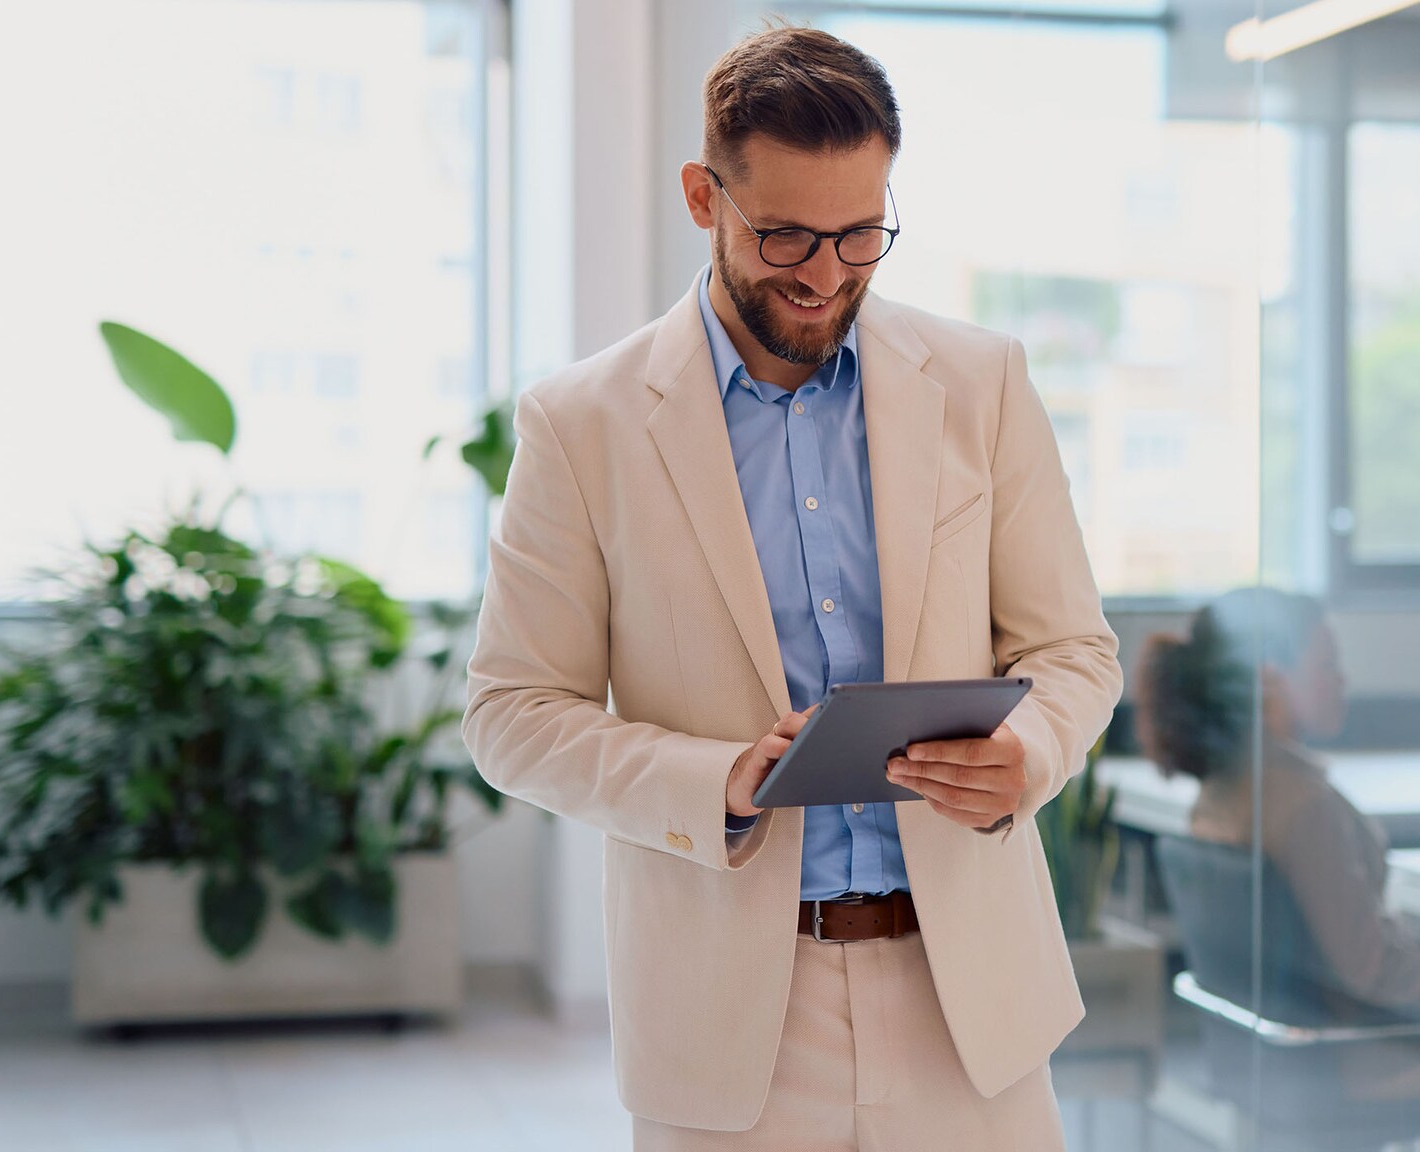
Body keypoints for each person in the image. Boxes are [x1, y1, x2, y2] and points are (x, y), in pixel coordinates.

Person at [461, 24, 1122, 1152]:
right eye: (783, 237)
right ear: (702, 197)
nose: (824, 276)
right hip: (727, 1027)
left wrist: (1033, 753)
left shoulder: (979, 384)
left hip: (970, 1005)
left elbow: (1072, 651)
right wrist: (717, 778)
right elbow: (510, 716)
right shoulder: (581, 426)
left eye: (860, 234)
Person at [1138, 587, 1420, 1021]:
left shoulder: (1221, 788)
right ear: (1270, 678)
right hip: (1356, 1056)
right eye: (1327, 665)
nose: (1344, 680)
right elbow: (1375, 972)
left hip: (1291, 1053)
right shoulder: (1305, 807)